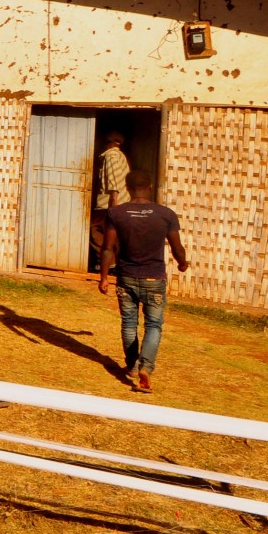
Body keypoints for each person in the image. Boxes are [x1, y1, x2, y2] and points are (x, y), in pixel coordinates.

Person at [96, 170, 188, 392]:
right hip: (154, 278)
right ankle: (146, 366)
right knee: (153, 325)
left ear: (127, 188)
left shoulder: (116, 213)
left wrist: (104, 277)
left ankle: (132, 365)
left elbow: (108, 248)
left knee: (129, 323)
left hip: (126, 277)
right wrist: (182, 263)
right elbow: (177, 248)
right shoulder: (166, 214)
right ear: (150, 187)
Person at [89, 131, 130, 262]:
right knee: (113, 235)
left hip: (108, 204)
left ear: (109, 144)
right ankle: (114, 262)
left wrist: (114, 203)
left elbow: (114, 181)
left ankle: (110, 262)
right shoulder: (120, 156)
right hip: (118, 203)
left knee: (94, 231)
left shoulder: (111, 156)